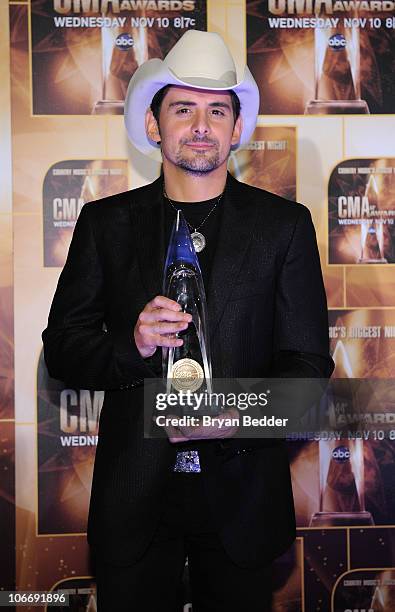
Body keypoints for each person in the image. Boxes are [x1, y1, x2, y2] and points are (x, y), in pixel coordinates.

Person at [42, 30, 334, 611]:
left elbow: (308, 377)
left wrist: (228, 418)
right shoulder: (106, 224)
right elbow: (64, 350)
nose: (201, 125)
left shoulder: (285, 226)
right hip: (135, 504)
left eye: (217, 110)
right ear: (154, 125)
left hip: (243, 503)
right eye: (183, 108)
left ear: (235, 127)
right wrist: (131, 343)